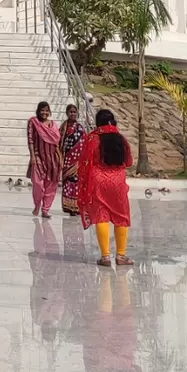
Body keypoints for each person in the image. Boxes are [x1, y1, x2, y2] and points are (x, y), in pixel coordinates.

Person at [77, 106, 133, 266]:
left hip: (98, 181)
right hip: (118, 182)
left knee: (101, 216)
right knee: (121, 217)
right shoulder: (121, 139)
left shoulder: (92, 139)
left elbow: (85, 162)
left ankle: (105, 257)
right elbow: (128, 162)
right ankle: (121, 256)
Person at [27, 100, 62, 217]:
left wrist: (60, 158)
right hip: (38, 156)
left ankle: (45, 209)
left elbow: (56, 142)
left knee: (51, 184)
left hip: (52, 158)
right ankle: (37, 205)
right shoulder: (33, 122)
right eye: (42, 110)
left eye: (46, 111)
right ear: (38, 111)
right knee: (38, 183)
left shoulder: (53, 125)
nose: (44, 113)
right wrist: (32, 156)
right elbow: (30, 140)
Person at [59, 103, 86, 215]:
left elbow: (85, 143)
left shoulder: (80, 128)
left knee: (77, 183)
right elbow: (59, 142)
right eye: (71, 112)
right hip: (67, 160)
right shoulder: (63, 128)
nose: (73, 114)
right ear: (67, 113)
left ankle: (77, 206)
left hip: (78, 161)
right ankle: (68, 206)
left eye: (74, 112)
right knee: (68, 182)